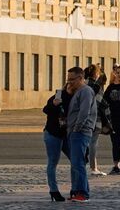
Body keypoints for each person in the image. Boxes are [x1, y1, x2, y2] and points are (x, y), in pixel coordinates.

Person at [64, 68, 96, 201]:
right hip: (74, 131)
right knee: (75, 164)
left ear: (80, 78)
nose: (69, 82)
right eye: (68, 79)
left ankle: (83, 192)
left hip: (80, 132)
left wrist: (77, 128)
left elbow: (84, 111)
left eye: (72, 79)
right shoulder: (77, 92)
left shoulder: (86, 91)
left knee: (78, 163)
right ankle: (76, 190)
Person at [42, 85, 69, 202]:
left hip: (67, 135)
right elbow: (46, 109)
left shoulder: (78, 97)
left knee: (77, 160)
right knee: (53, 162)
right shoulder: (58, 96)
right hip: (53, 133)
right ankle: (54, 190)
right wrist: (54, 104)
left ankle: (77, 190)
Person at [83, 64, 108, 176]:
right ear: (97, 74)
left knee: (82, 142)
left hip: (81, 119)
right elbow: (102, 103)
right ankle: (94, 167)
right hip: (95, 119)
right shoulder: (96, 87)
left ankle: (81, 165)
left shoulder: (81, 85)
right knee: (93, 143)